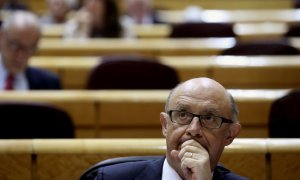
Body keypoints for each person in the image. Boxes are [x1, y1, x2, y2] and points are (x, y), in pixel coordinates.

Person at [94, 77, 247, 180]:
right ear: (165, 125)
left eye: (209, 118)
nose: (194, 129)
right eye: (182, 115)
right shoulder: (108, 178)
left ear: (230, 135)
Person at [0, 11, 61, 90]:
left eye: (29, 48)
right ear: (1, 37)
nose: (20, 56)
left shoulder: (49, 83)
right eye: (15, 45)